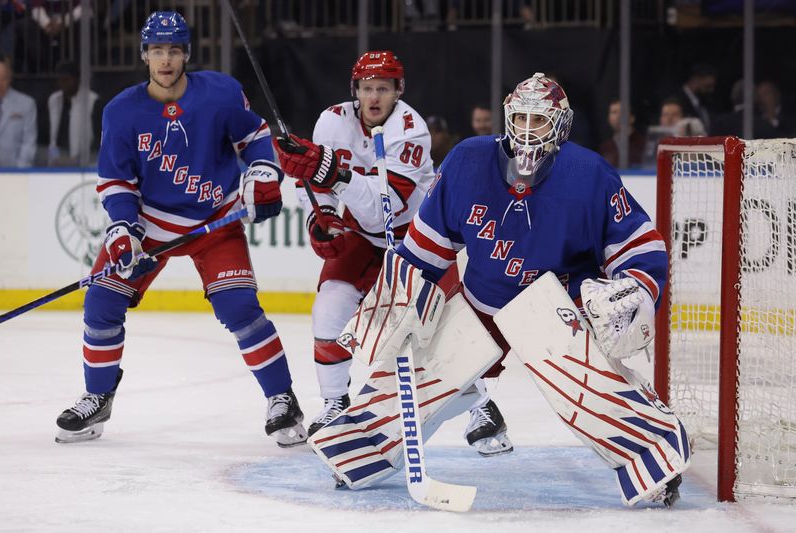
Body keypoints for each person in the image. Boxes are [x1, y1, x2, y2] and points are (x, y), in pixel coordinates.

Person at [394, 73, 680, 503]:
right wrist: (402, 301)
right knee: (411, 381)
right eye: (521, 118)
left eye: (539, 121)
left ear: (561, 126)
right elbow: (425, 249)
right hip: (481, 302)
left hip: (553, 305)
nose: (528, 131)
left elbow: (641, 246)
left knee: (587, 394)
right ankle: (355, 446)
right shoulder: (468, 160)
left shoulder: (588, 173)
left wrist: (635, 288)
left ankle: (657, 452)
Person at [54, 11, 308, 448]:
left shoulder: (221, 94)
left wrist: (264, 171)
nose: (166, 59)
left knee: (239, 308)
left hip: (215, 222)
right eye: (157, 51)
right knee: (100, 302)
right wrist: (123, 228)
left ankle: (283, 399)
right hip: (149, 225)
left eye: (174, 50)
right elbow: (117, 182)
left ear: (187, 53)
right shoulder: (121, 111)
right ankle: (98, 396)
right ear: (145, 56)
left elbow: (255, 137)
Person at [273, 51, 512, 455]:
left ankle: (484, 408)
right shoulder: (332, 120)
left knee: (443, 327)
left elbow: (385, 205)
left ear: (399, 91)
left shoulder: (410, 127)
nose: (374, 97)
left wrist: (330, 170)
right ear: (356, 91)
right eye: (366, 88)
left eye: (383, 88)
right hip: (362, 238)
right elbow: (313, 184)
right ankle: (335, 403)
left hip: (418, 236)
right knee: (329, 309)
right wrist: (324, 218)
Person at [47, 60, 101, 166]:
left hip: (84, 164)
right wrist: (54, 157)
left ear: (78, 79)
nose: (62, 84)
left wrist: (80, 160)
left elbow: (99, 139)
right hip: (57, 162)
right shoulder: (54, 100)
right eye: (60, 80)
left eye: (66, 80)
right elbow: (51, 137)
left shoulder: (93, 101)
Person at [0, 59, 37, 168]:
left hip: (14, 170)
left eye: (3, 79)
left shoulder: (26, 103)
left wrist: (21, 170)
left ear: (10, 79)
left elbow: (29, 140)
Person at [598, 98, 645, 168]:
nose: (618, 116)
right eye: (614, 112)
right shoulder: (604, 148)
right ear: (609, 118)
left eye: (622, 112)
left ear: (632, 117)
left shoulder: (644, 144)